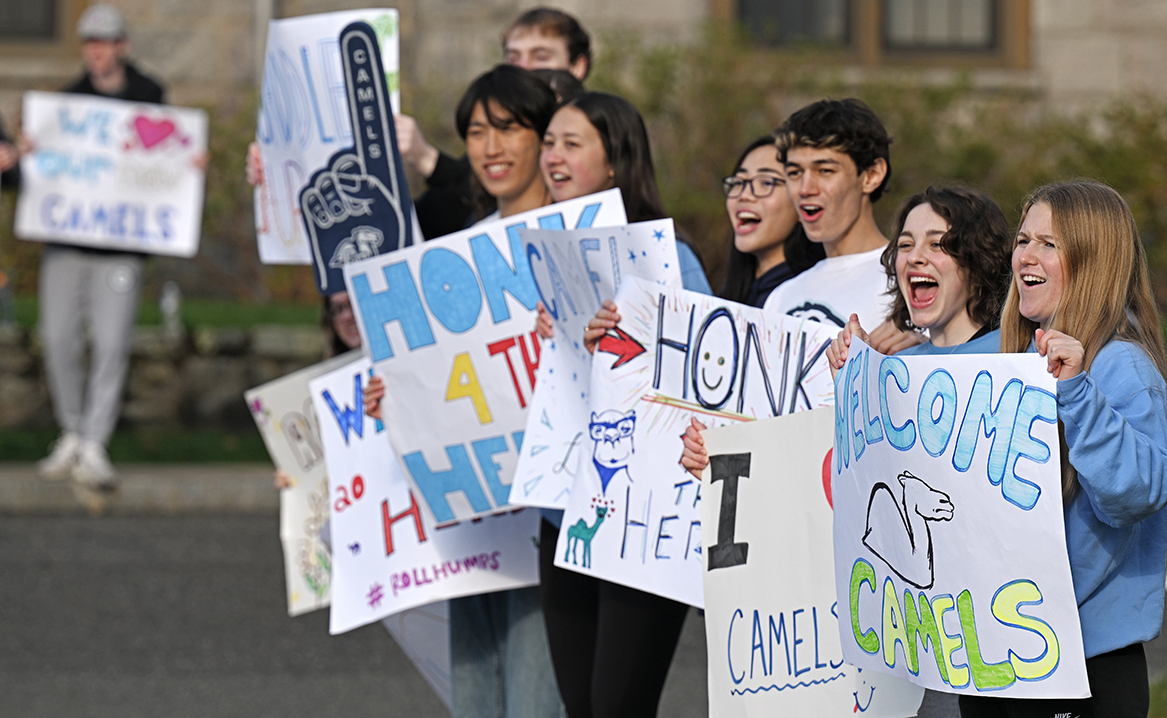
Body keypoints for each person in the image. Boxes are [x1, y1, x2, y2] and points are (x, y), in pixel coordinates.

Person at [367, 65, 566, 718]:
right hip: (473, 519)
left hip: (551, 524)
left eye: (508, 129)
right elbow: (436, 376)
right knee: (477, 699)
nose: (489, 147)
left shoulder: (578, 240)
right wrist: (390, 394)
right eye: (476, 131)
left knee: (538, 699)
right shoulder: (454, 252)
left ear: (544, 138)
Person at [960, 180, 1167, 718]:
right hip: (996, 656)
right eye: (1024, 238)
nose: (1025, 255)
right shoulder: (1012, 358)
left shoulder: (1124, 367)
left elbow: (1135, 493)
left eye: (1049, 244)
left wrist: (1077, 393)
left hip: (1082, 664)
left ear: (1094, 260)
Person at [534, 91, 711, 718]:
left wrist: (622, 340)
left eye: (570, 143)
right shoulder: (541, 254)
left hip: (647, 522)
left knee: (618, 708)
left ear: (615, 162)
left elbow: (705, 379)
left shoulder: (670, 257)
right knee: (580, 708)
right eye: (548, 142)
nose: (551, 156)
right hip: (566, 515)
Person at [35, 4, 166, 488]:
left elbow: (166, 163)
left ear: (121, 46)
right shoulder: (67, 104)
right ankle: (71, 431)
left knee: (112, 344)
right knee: (58, 339)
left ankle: (95, 441)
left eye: (104, 41)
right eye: (89, 42)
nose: (96, 51)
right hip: (68, 242)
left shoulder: (150, 96)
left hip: (120, 249)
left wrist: (186, 165)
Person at [401, 7, 592, 239]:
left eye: (541, 57)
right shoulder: (474, 233)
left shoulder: (590, 222)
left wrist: (428, 160)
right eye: (513, 58)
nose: (525, 69)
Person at [825, 184, 1012, 371]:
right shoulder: (894, 369)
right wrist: (855, 381)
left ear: (980, 260)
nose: (914, 257)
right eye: (906, 244)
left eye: (937, 244)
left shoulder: (1017, 353)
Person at [719, 135, 824, 307]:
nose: (744, 195)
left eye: (766, 182)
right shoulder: (721, 303)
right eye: (739, 182)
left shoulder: (812, 305)